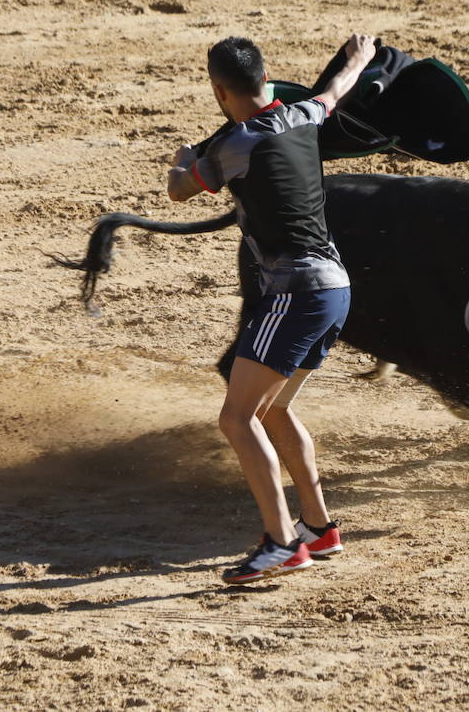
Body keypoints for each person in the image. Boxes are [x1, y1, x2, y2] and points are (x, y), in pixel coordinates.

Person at [167, 33, 377, 584]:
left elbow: (180, 191)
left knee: (236, 418)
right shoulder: (306, 114)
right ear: (266, 77)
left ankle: (283, 542)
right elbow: (335, 90)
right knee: (274, 409)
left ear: (219, 90)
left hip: (295, 294)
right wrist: (358, 57)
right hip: (336, 289)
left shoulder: (232, 147)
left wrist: (183, 158)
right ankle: (320, 528)